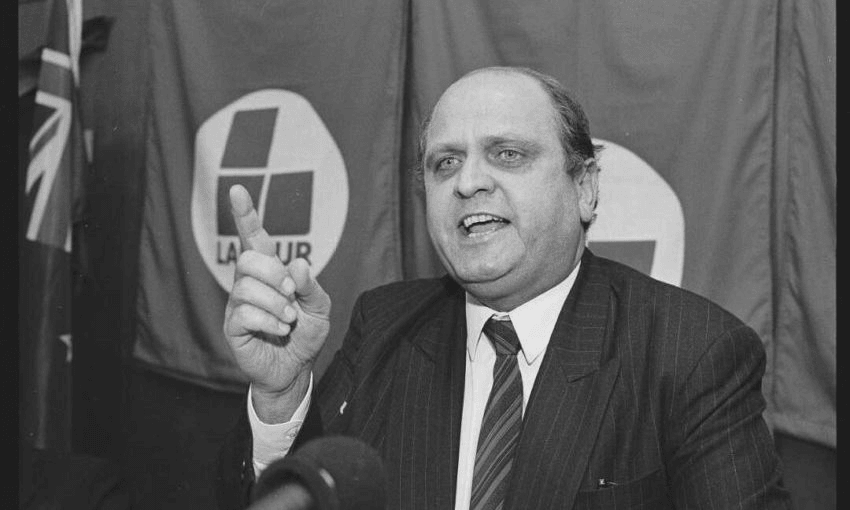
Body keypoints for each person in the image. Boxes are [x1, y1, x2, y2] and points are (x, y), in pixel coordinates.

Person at [216, 66, 792, 509]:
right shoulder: (383, 326)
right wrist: (282, 394)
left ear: (585, 188)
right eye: (445, 164)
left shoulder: (692, 352)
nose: (468, 183)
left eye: (507, 155)